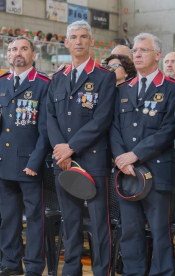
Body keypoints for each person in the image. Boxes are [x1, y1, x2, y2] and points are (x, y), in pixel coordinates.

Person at [46, 20, 117, 276]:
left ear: (91, 42)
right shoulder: (57, 78)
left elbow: (102, 119)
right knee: (70, 219)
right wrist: (60, 150)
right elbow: (50, 117)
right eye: (73, 37)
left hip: (92, 159)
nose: (78, 41)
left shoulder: (104, 77)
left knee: (99, 222)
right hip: (62, 160)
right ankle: (71, 270)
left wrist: (70, 148)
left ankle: (101, 271)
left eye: (83, 37)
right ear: (66, 43)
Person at [0, 37, 50, 276]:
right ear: (7, 56)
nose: (17, 53)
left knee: (34, 219)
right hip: (3, 161)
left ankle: (33, 267)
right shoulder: (1, 83)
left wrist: (35, 161)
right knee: (9, 218)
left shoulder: (42, 83)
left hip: (30, 164)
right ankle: (11, 264)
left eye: (23, 48)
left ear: (33, 54)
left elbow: (46, 129)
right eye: (12, 49)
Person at [110, 33, 175, 276]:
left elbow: (168, 129)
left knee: (160, 231)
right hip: (126, 173)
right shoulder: (123, 90)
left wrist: (134, 154)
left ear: (158, 55)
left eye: (143, 50)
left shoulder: (170, 89)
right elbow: (114, 127)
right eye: (135, 50)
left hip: (157, 171)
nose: (136, 54)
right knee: (130, 230)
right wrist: (121, 158)